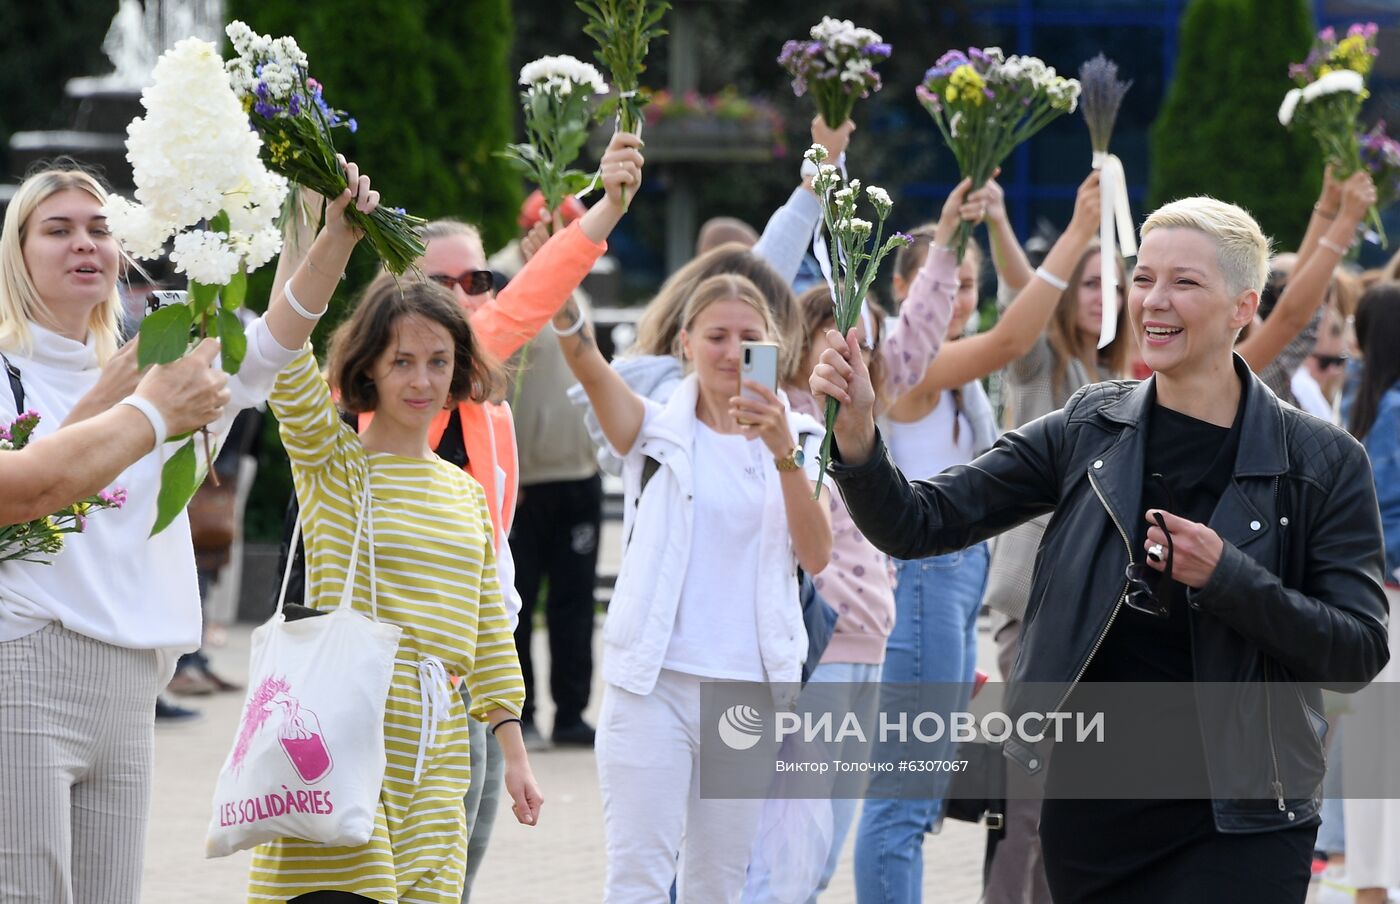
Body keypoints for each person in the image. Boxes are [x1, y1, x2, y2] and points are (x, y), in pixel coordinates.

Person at [813, 196, 1389, 903]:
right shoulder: (1090, 426)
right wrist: (860, 440)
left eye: (1184, 282)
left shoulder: (1323, 462)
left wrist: (1225, 576)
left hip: (1244, 816)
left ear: (1243, 307)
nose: (1153, 301)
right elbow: (921, 522)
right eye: (1142, 278)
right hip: (1095, 811)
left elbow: (1358, 649)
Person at [0, 166, 303, 903]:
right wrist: (133, 408)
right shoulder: (17, 370)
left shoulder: (154, 372)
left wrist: (315, 224)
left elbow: (272, 342)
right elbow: (24, 495)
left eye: (101, 230)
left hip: (133, 675)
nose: (86, 245)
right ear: (16, 253)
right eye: (59, 229)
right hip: (26, 663)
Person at [245, 161, 542, 903]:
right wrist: (320, 238)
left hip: (437, 762)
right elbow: (283, 366)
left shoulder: (464, 494)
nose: (422, 379)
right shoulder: (335, 467)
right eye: (402, 361)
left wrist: (515, 754)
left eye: (439, 361)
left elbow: (487, 636)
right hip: (342, 745)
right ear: (367, 370)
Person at [851, 172, 1101, 904]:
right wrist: (1079, 231)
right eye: (948, 284)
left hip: (954, 585)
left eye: (969, 286)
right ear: (908, 288)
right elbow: (1019, 336)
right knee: (903, 795)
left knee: (922, 793)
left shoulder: (951, 374)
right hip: (921, 578)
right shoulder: (906, 362)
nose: (960, 299)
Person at [560, 272, 831, 903]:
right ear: (685, 342)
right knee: (638, 879)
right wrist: (565, 294)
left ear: (774, 348)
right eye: (716, 335)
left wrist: (781, 451)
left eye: (748, 338)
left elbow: (817, 554)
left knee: (716, 885)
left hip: (745, 697)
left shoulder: (804, 440)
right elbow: (588, 363)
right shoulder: (654, 430)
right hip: (651, 686)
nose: (732, 351)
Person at [0, 343, 229, 526]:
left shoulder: (115, 366)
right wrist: (152, 413)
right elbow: (26, 492)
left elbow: (262, 347)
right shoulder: (9, 375)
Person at [1342, 282, 1400, 904]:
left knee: (1373, 751)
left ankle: (1372, 884)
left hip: (1366, 594)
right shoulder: (1391, 407)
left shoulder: (1359, 398)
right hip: (1391, 588)